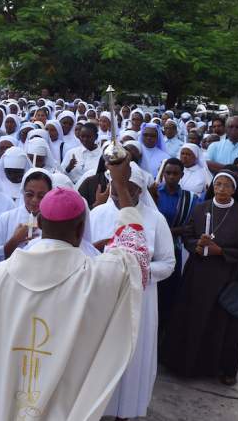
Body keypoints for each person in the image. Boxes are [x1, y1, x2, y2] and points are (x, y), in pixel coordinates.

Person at [0, 160, 150, 421]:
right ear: (80, 229)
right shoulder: (95, 277)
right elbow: (136, 257)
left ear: (40, 223)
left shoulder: (1, 275)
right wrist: (121, 186)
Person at [91, 162, 175, 420]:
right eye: (118, 187)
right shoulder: (95, 215)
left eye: (131, 188)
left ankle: (126, 410)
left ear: (141, 190)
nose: (122, 193)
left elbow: (168, 263)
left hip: (141, 297)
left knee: (133, 355)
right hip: (101, 296)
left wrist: (139, 269)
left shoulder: (155, 219)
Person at [162, 170, 238, 386]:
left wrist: (220, 251)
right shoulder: (201, 208)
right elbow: (187, 235)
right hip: (197, 273)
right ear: (213, 186)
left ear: (234, 190)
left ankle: (220, 369)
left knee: (222, 323)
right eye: (218, 184)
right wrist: (198, 245)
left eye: (227, 185)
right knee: (191, 316)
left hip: (226, 277)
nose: (222, 189)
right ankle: (183, 364)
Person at [155, 158, 198, 337]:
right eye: (168, 173)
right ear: (163, 173)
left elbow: (190, 227)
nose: (171, 177)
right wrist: (174, 230)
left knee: (170, 292)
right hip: (153, 249)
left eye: (175, 174)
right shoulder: (153, 194)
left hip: (174, 248)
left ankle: (165, 332)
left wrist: (168, 232)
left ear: (182, 175)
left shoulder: (190, 199)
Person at [0, 168, 53, 262]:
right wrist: (15, 240)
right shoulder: (6, 218)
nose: (34, 200)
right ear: (23, 192)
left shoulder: (54, 222)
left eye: (41, 196)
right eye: (29, 194)